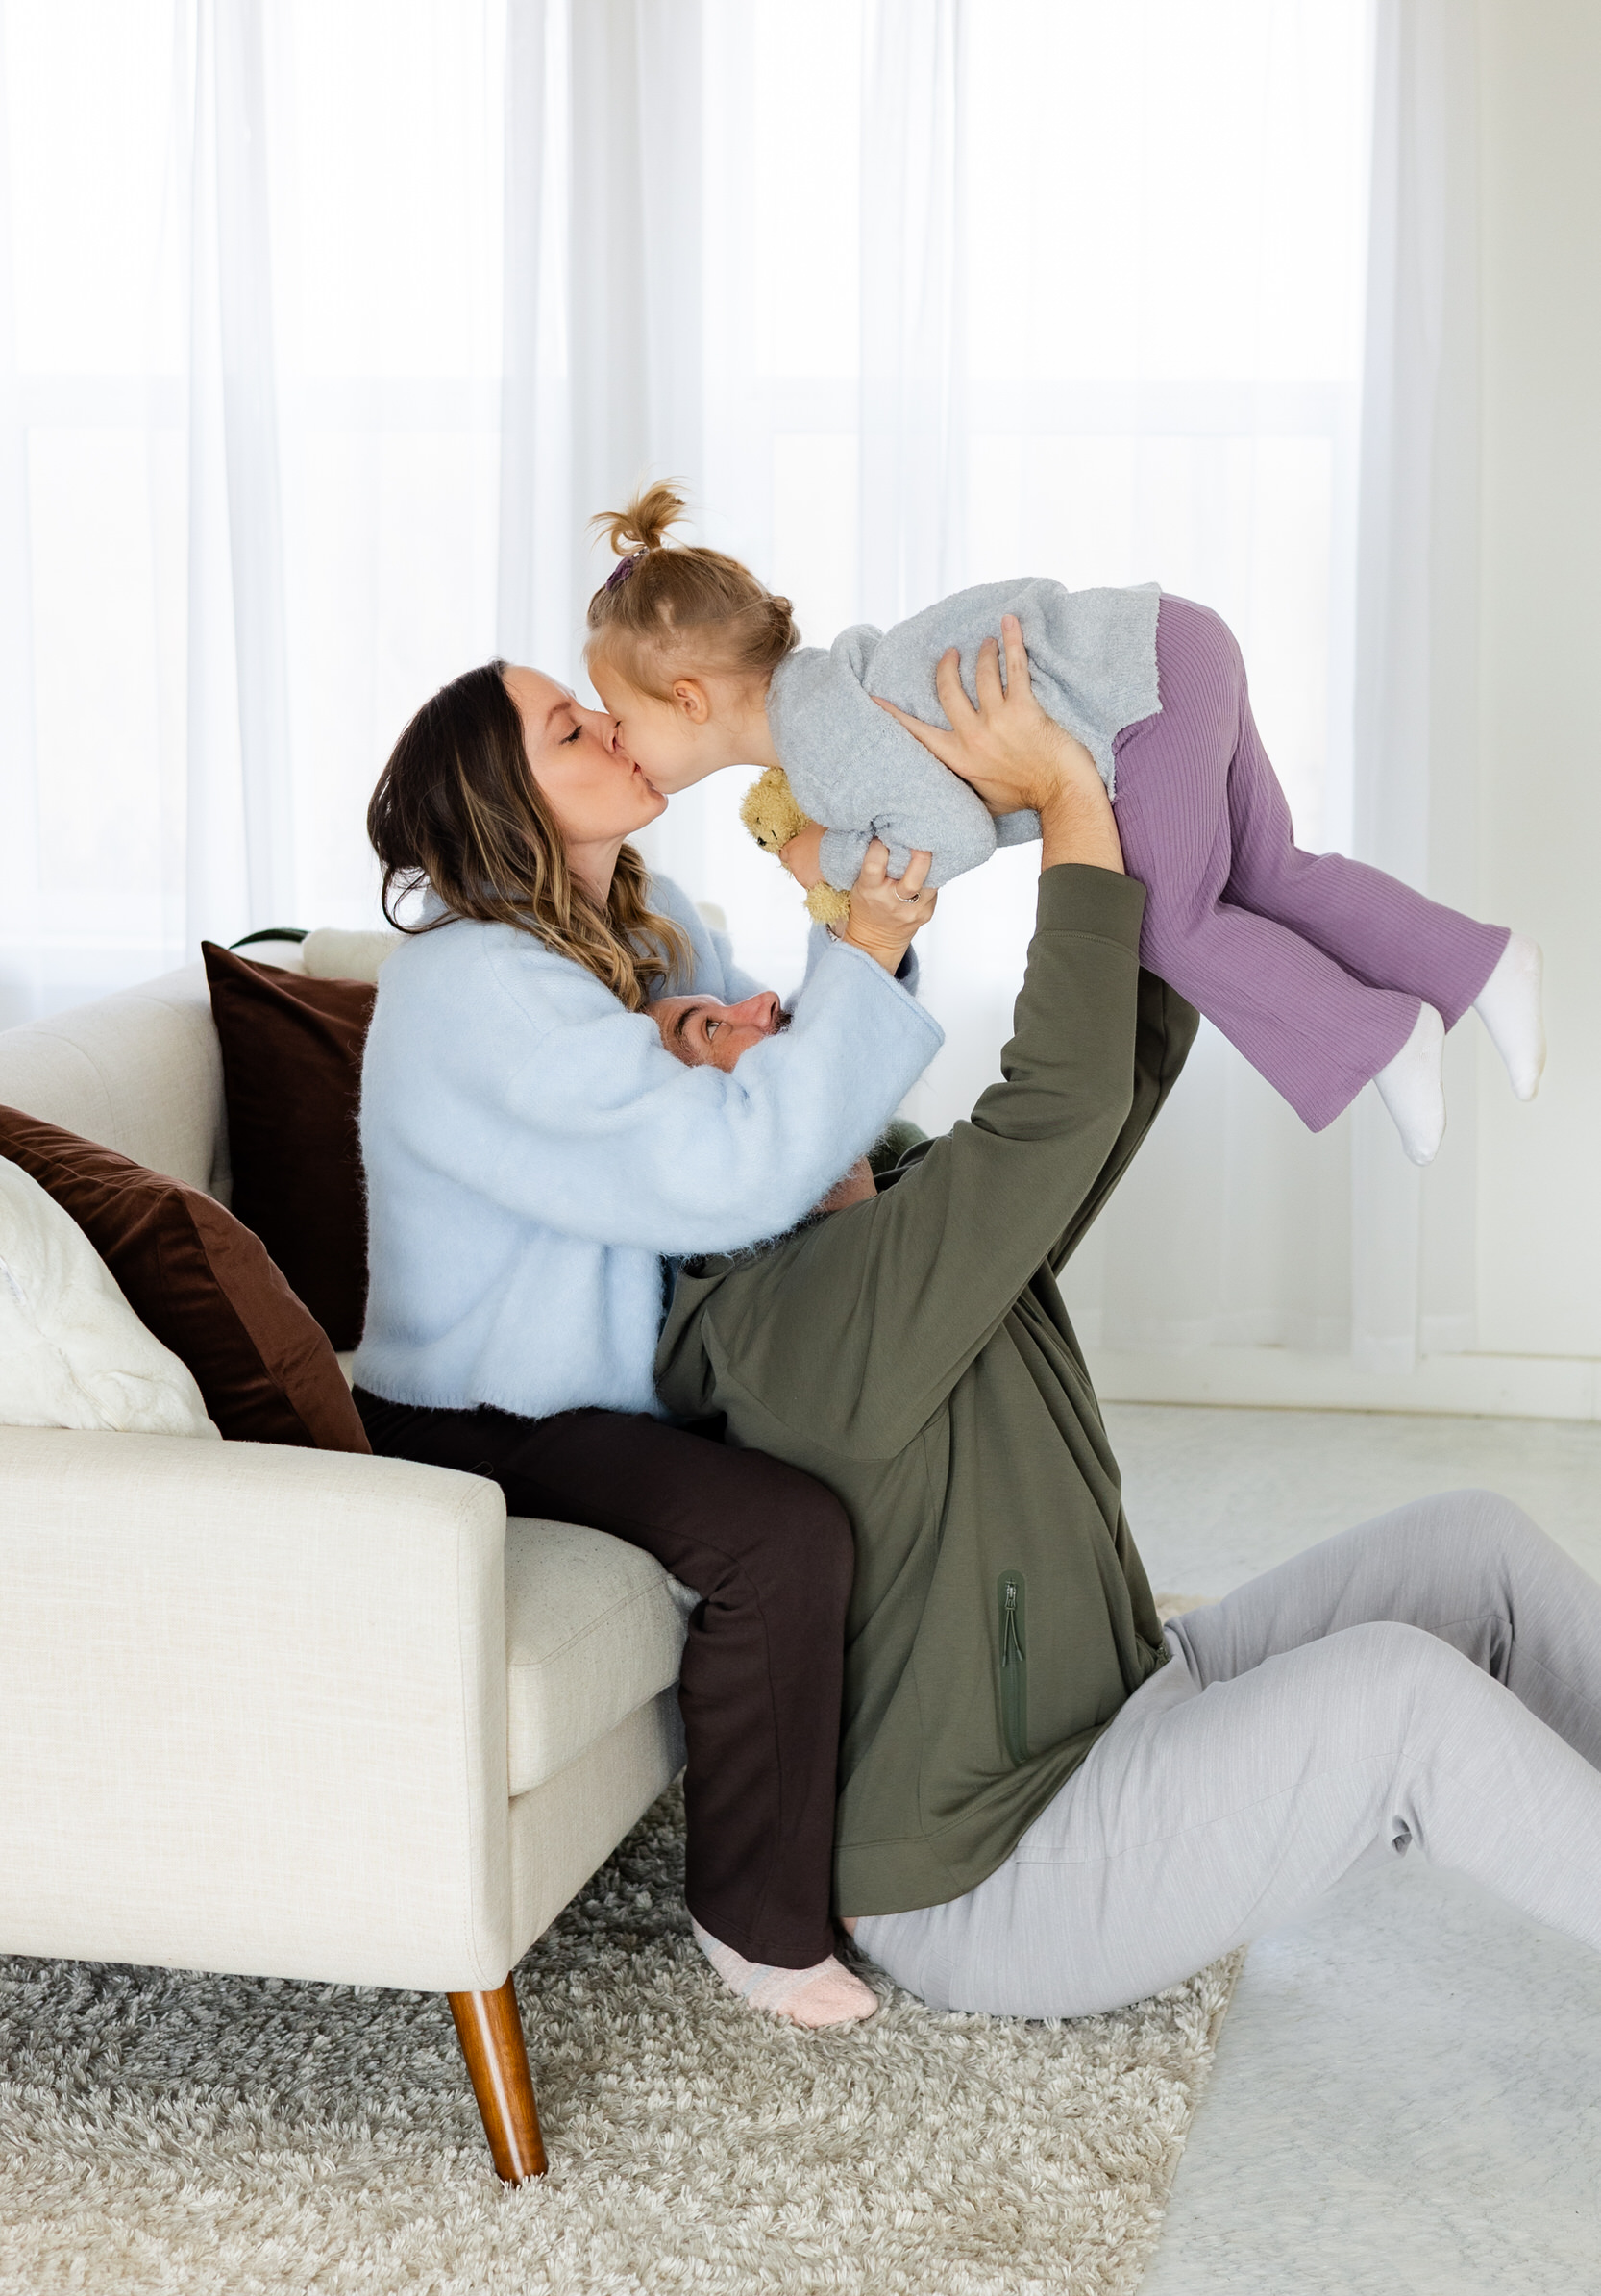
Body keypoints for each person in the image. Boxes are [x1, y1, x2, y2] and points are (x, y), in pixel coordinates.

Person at [652, 631, 1601, 2021]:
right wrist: (1068, 810)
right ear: (690, 1154)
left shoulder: (893, 1214)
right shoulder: (789, 1329)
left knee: (1476, 1548)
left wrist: (1131, 779)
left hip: (1121, 1697)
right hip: (998, 1871)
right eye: (704, 1028)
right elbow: (1061, 1101)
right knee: (1402, 1700)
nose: (756, 999)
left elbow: (1124, 1061)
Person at [350, 656, 942, 2027]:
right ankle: (754, 1916)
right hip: (489, 1410)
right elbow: (729, 1171)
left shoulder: (648, 912)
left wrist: (785, 1008)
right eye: (571, 727)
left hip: (643, 1368)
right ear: (506, 794)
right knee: (780, 1536)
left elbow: (783, 1074)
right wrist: (830, 990)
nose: (613, 729)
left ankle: (897, 1830)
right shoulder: (469, 989)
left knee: (897, 1439)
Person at [585, 482, 1544, 1169]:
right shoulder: (823, 698)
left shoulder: (820, 748)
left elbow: (949, 834)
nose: (616, 743)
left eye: (618, 720)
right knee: (1267, 873)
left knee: (1167, 924)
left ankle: (1384, 1035)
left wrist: (819, 855)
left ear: (688, 698)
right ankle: (1478, 963)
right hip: (1166, 646)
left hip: (1136, 700)